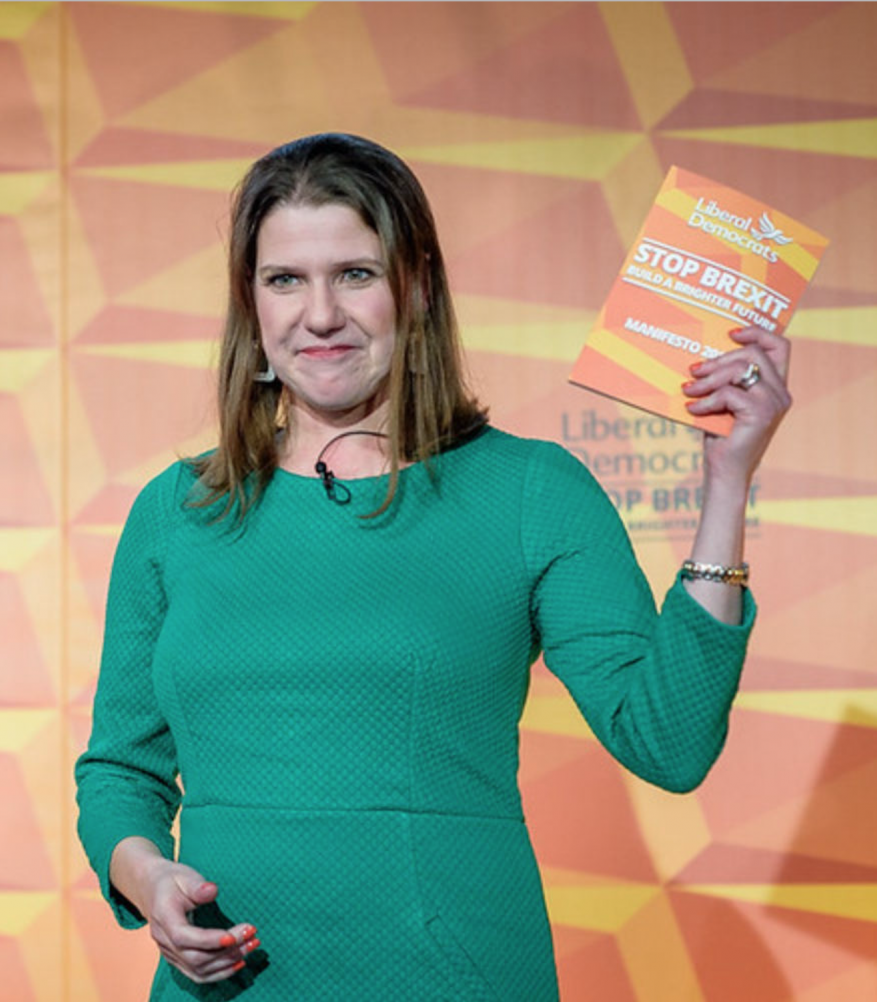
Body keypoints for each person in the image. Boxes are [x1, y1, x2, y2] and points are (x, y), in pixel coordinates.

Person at [73, 133, 790, 1001]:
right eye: (285, 280)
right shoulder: (174, 512)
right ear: (250, 304)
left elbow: (668, 742)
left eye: (357, 274)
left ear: (414, 286)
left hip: (453, 976)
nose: (321, 315)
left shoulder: (529, 490)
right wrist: (148, 880)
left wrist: (726, 485)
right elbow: (120, 771)